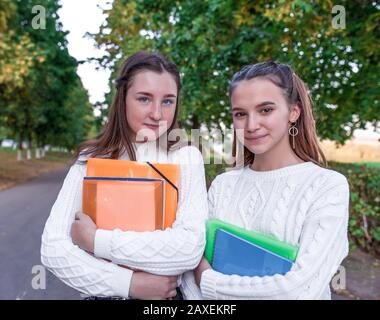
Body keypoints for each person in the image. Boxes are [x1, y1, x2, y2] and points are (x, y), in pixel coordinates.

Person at [41, 51, 208, 300]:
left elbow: (188, 250)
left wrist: (95, 241)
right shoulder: (92, 159)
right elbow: (53, 249)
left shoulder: (187, 158)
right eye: (144, 99)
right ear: (123, 98)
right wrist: (129, 283)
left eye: (168, 101)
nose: (157, 113)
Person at [181, 61, 350, 300]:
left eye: (266, 110)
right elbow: (189, 267)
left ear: (294, 112)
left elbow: (298, 291)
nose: (251, 125)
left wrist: (209, 281)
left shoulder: (327, 186)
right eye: (240, 114)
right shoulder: (222, 185)